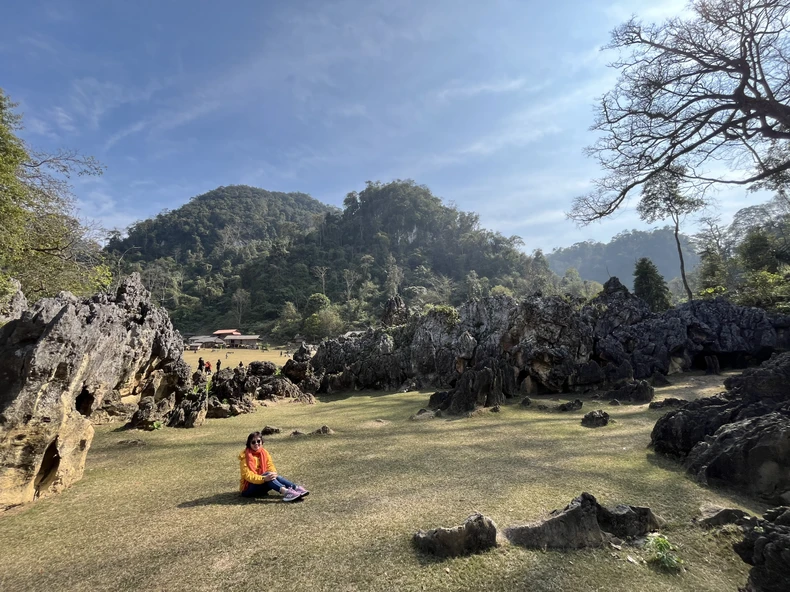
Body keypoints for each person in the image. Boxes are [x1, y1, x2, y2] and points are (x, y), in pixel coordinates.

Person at [239, 432, 309, 502]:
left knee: (273, 476)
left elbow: (270, 465)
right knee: (268, 476)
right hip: (248, 489)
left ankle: (296, 488)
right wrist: (263, 479)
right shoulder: (245, 457)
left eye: (258, 441)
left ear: (261, 441)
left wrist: (273, 473)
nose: (256, 444)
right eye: (253, 442)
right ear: (249, 444)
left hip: (262, 484)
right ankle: (286, 492)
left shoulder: (264, 453)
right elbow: (247, 475)